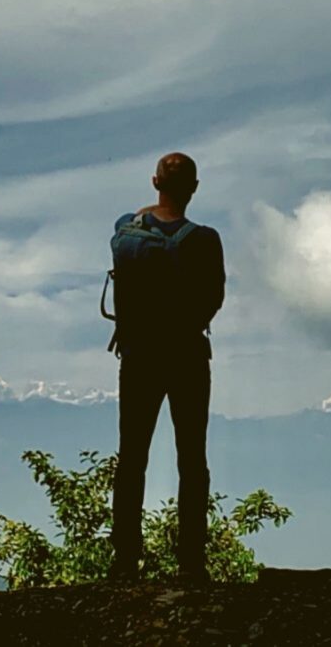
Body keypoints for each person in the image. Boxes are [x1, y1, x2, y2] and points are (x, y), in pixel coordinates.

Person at [108, 152, 225, 581]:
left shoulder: (126, 231)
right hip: (188, 359)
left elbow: (133, 217)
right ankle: (191, 563)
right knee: (192, 460)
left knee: (132, 458)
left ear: (154, 181)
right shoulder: (205, 240)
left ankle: (124, 562)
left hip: (138, 358)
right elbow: (214, 300)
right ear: (194, 188)